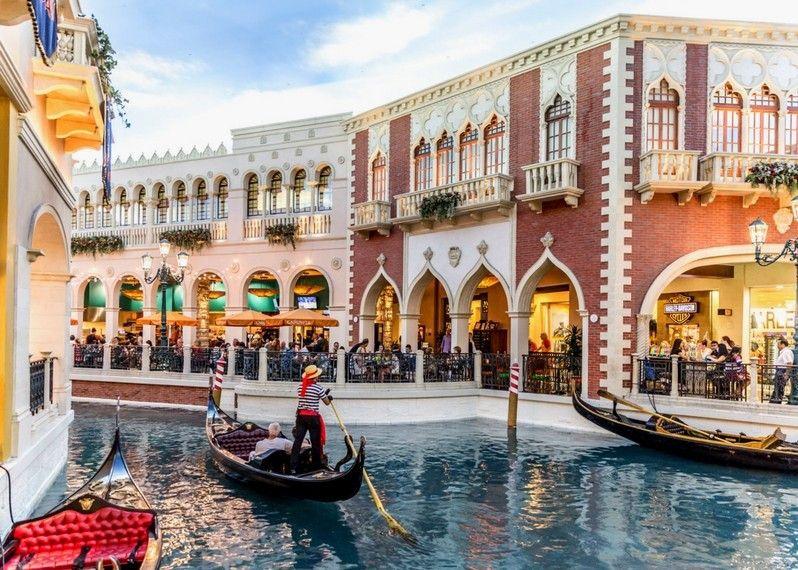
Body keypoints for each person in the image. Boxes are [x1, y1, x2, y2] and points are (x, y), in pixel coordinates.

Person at [290, 365, 331, 474]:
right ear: (315, 377)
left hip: (301, 417)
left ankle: (293, 466)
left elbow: (304, 400)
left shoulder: (300, 387)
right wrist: (329, 398)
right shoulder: (318, 388)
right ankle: (316, 467)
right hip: (313, 418)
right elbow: (326, 402)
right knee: (315, 443)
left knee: (298, 441)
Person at [770, 338, 793, 404]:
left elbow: (789, 363)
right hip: (780, 371)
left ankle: (777, 401)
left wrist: (786, 374)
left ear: (783, 344)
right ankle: (775, 400)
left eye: (778, 344)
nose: (777, 346)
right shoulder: (784, 352)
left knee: (779, 387)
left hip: (782, 371)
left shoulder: (786, 352)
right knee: (777, 387)